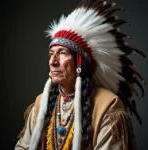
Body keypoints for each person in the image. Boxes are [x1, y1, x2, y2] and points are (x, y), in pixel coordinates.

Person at [15, 0, 145, 150]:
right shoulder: (40, 104)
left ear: (80, 63)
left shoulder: (107, 106)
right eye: (51, 54)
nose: (53, 61)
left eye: (62, 53)